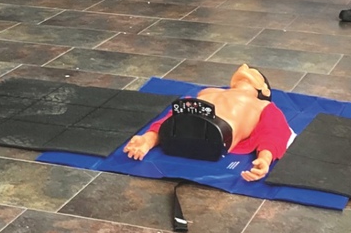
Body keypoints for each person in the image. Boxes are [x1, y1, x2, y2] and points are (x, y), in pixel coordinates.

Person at [124, 64, 292, 181]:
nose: (244, 69)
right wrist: (150, 135)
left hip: (219, 132)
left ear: (264, 90)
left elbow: (273, 131)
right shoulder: (208, 91)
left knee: (192, 115)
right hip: (180, 126)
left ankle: (159, 138)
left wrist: (265, 159)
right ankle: (149, 141)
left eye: (252, 74)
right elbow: (172, 114)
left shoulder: (263, 104)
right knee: (185, 110)